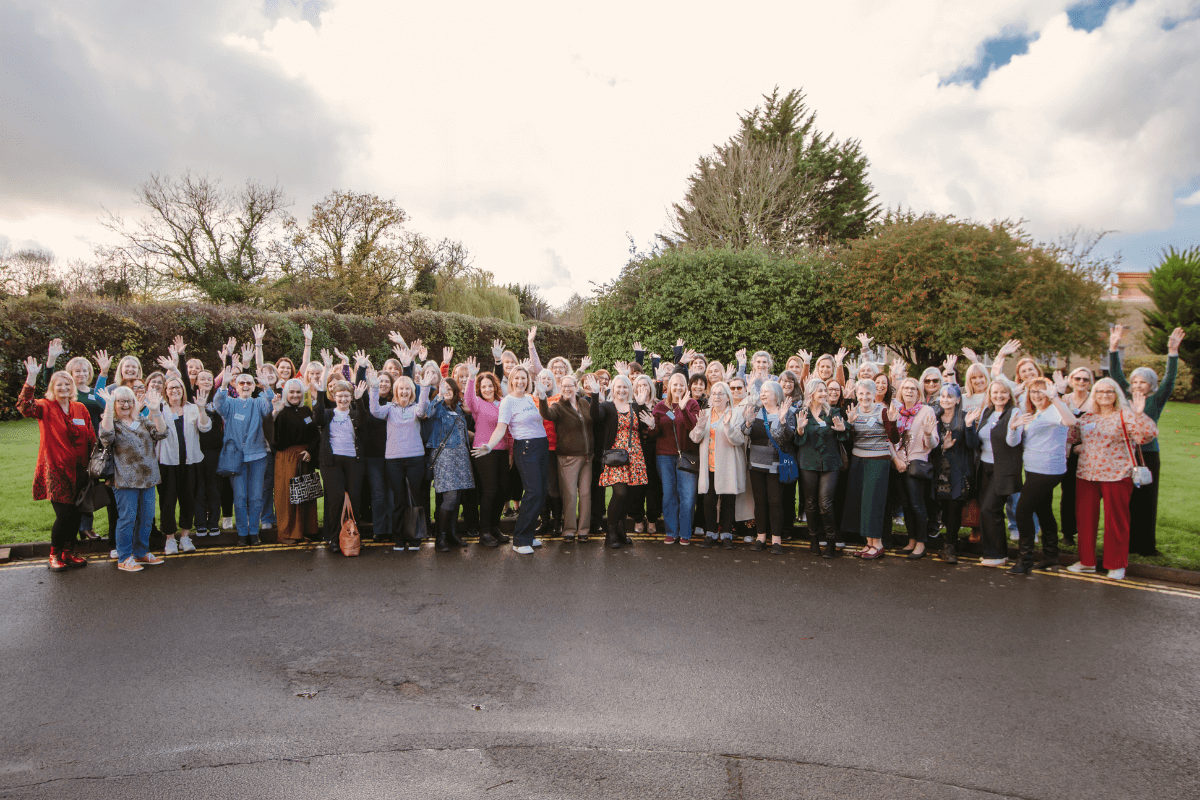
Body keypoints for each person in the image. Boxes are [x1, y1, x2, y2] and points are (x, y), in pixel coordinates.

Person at [1066, 378, 1158, 580]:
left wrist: (1140, 414)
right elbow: (1072, 436)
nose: (1104, 395)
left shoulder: (1125, 415)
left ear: (1116, 394)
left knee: (1116, 521)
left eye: (1109, 391)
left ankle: (1116, 564)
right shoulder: (1088, 417)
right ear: (1094, 395)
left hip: (1116, 474)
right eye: (1099, 392)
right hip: (1086, 474)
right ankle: (1087, 561)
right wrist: (1074, 447)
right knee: (1085, 520)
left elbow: (1146, 436)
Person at [1108, 325, 1185, 556]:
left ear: (1151, 385)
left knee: (1147, 500)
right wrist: (1113, 347)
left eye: (1144, 382)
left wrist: (1172, 353)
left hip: (1148, 453)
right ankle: (1127, 543)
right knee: (1127, 500)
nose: (1139, 385)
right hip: (1125, 454)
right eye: (1136, 381)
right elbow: (1115, 375)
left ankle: (1146, 546)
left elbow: (1170, 380)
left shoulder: (1156, 400)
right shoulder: (1126, 396)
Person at [18, 357, 99, 572]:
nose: (63, 387)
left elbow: (91, 437)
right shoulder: (45, 407)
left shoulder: (80, 408)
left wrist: (96, 461)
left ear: (72, 387)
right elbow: (24, 407)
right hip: (56, 471)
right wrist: (32, 378)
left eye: (67, 384)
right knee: (64, 515)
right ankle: (54, 554)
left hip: (80, 471)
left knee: (76, 515)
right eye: (59, 384)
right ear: (53, 388)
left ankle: (69, 552)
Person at [472, 364, 548, 554]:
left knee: (541, 493)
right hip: (526, 447)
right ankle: (520, 540)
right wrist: (489, 445)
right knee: (533, 492)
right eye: (517, 378)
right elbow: (501, 427)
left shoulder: (531, 399)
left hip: (541, 446)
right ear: (511, 380)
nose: (521, 381)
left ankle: (528, 535)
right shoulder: (507, 402)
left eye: (524, 378)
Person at [1004, 377, 1077, 575]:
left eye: (1041, 391)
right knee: (1044, 510)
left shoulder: (1053, 410)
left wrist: (1055, 398)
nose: (1037, 395)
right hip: (1034, 468)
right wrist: (1013, 427)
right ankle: (1051, 556)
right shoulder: (1036, 413)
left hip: (1047, 470)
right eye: (1033, 392)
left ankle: (1025, 560)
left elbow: (1071, 421)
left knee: (1022, 511)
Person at [97, 385, 169, 572]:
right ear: (115, 403)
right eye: (121, 401)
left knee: (146, 518)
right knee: (127, 519)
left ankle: (140, 552)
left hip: (148, 477)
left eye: (129, 401)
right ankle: (124, 557)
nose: (126, 405)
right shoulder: (112, 422)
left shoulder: (142, 420)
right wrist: (108, 406)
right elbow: (105, 437)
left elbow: (161, 433)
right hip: (125, 480)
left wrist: (156, 410)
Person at [369, 350, 429, 552]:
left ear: (412, 391)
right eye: (400, 389)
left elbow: (422, 410)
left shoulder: (415, 409)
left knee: (415, 498)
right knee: (399, 499)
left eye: (407, 389)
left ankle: (415, 536)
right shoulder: (389, 409)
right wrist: (374, 387)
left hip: (415, 459)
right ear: (395, 391)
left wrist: (425, 387)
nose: (403, 392)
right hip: (394, 460)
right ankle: (399, 537)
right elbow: (374, 410)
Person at [214, 351, 276, 547]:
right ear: (236, 386)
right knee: (240, 498)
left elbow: (271, 405)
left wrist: (266, 385)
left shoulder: (258, 402)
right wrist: (223, 384)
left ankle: (254, 532)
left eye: (249, 383)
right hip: (236, 458)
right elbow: (218, 404)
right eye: (242, 383)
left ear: (253, 385)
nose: (246, 386)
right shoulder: (230, 404)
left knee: (256, 497)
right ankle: (242, 533)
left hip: (258, 456)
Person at [591, 371, 654, 549]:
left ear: (630, 389)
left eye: (625, 387)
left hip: (635, 456)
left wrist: (643, 407)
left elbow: (645, 425)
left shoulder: (635, 405)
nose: (622, 390)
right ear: (613, 388)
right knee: (620, 493)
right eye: (618, 386)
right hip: (615, 456)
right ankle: (610, 533)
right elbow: (595, 417)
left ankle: (620, 530)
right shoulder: (608, 406)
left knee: (630, 496)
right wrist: (595, 395)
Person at [842, 379, 899, 559]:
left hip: (878, 460)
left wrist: (893, 422)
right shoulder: (853, 411)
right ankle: (868, 543)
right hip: (858, 460)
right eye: (861, 393)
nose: (864, 397)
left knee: (874, 502)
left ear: (874, 394)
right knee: (863, 503)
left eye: (868, 393)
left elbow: (894, 439)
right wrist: (849, 424)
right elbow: (848, 440)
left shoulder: (883, 411)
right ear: (856, 395)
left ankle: (878, 544)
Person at [967, 379, 1022, 568]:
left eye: (1003, 392)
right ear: (990, 395)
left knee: (990, 509)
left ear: (1009, 394)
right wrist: (968, 427)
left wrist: (1013, 429)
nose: (999, 396)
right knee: (987, 511)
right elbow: (977, 441)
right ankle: (994, 553)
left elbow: (1013, 443)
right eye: (995, 392)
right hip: (984, 467)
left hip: (1003, 469)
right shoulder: (986, 412)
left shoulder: (1014, 412)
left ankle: (997, 553)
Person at [157, 375, 211, 554]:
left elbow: (205, 428)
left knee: (189, 500)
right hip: (168, 463)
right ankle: (170, 539)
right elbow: (157, 431)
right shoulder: (160, 409)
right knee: (168, 502)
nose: (175, 390)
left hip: (191, 463)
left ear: (183, 390)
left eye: (178, 387)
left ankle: (185, 537)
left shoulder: (193, 408)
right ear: (166, 391)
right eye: (171, 388)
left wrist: (202, 409)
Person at [795, 378, 848, 559]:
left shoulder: (833, 412)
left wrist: (842, 430)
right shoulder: (802, 413)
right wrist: (800, 430)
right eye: (820, 391)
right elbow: (797, 440)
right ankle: (813, 541)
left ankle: (831, 543)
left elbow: (844, 436)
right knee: (810, 503)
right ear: (811, 394)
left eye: (825, 391)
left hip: (830, 463)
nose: (825, 394)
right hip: (808, 462)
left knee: (825, 503)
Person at [538, 373, 595, 542]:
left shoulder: (584, 403)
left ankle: (583, 530)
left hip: (587, 457)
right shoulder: (558, 406)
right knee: (570, 495)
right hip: (568, 458)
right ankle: (569, 530)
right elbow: (546, 414)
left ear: (576, 387)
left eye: (570, 385)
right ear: (560, 389)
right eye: (564, 386)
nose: (567, 389)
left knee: (585, 494)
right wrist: (542, 396)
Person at [422, 374, 475, 552]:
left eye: (450, 389)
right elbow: (428, 413)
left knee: (457, 496)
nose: (447, 392)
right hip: (444, 456)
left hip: (461, 456)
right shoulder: (437, 408)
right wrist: (438, 396)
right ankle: (441, 536)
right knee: (450, 497)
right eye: (443, 389)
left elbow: (462, 432)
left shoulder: (459, 409)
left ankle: (452, 534)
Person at [690, 381, 746, 549]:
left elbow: (739, 440)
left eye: (720, 394)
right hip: (709, 466)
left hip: (728, 465)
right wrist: (699, 427)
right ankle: (711, 533)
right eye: (714, 393)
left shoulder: (735, 414)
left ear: (727, 397)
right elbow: (694, 438)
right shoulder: (704, 414)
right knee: (709, 501)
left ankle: (727, 534)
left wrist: (728, 426)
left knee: (728, 500)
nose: (716, 397)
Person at [463, 359, 511, 548]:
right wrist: (472, 377)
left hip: (502, 452)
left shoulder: (503, 404)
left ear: (495, 386)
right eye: (483, 387)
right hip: (484, 453)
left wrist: (510, 453)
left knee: (501, 492)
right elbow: (468, 399)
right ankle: (484, 532)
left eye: (490, 385)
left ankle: (495, 527)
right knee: (489, 491)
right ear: (480, 389)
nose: (487, 389)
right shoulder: (477, 405)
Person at [744, 380, 795, 555]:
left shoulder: (786, 412)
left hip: (775, 465)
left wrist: (782, 421)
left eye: (767, 391)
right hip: (756, 463)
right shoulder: (756, 411)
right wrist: (748, 424)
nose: (763, 394)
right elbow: (745, 432)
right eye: (762, 392)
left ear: (776, 394)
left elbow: (789, 438)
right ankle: (761, 537)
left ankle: (776, 540)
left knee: (775, 502)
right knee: (760, 502)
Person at [892, 377, 940, 559]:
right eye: (906, 388)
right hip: (898, 463)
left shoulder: (927, 411)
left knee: (917, 504)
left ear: (918, 392)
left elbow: (933, 444)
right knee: (906, 504)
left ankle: (921, 543)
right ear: (901, 391)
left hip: (917, 463)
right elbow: (890, 438)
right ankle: (911, 540)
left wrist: (928, 434)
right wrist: (896, 459)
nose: (909, 391)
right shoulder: (896, 411)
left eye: (913, 388)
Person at [652, 372, 700, 545]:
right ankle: (671, 531)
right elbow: (655, 432)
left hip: (686, 456)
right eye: (675, 384)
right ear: (669, 387)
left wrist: (683, 407)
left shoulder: (693, 404)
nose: (678, 387)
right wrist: (651, 426)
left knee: (687, 496)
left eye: (681, 384)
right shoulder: (660, 407)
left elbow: (693, 427)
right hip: (664, 456)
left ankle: (685, 533)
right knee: (669, 494)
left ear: (686, 386)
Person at [271, 378, 320, 544]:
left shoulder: (307, 411)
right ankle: (288, 533)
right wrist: (276, 414)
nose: (295, 395)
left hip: (305, 458)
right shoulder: (281, 412)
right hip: (287, 459)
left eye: (298, 392)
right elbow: (276, 441)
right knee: (288, 496)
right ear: (286, 393)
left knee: (306, 494)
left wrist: (311, 452)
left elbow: (315, 435)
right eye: (291, 392)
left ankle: (307, 531)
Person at [930, 384, 972, 563]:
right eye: (943, 396)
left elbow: (973, 445)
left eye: (950, 396)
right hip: (938, 471)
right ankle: (946, 541)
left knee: (954, 509)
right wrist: (942, 446)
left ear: (958, 400)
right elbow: (930, 448)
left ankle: (949, 546)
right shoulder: (934, 418)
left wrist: (969, 427)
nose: (946, 399)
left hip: (957, 472)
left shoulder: (964, 418)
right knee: (944, 510)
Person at [1059, 366, 1094, 545]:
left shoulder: (1094, 402)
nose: (1081, 382)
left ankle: (1085, 532)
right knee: (1068, 492)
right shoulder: (1064, 399)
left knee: (1086, 493)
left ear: (1090, 382)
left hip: (1087, 452)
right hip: (1065, 452)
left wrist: (1085, 444)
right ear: (1071, 380)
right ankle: (1068, 532)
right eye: (1078, 378)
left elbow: (1099, 427)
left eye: (1085, 379)